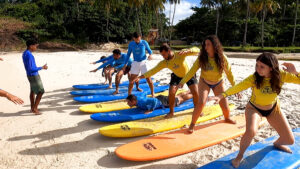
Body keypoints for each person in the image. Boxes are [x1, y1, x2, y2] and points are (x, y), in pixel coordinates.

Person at [209, 52, 300, 168]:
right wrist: (222, 95)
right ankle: (239, 156)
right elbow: (239, 86)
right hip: (254, 108)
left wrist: (296, 73)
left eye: (262, 67)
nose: (258, 69)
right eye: (257, 65)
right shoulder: (254, 78)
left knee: (289, 140)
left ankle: (277, 143)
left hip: (273, 109)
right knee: (251, 131)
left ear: (271, 68)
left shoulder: (281, 75)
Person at [177, 35, 239, 133]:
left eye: (208, 45)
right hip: (204, 81)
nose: (206, 47)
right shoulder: (202, 57)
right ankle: (192, 124)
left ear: (215, 46)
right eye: (205, 45)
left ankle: (227, 118)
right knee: (201, 102)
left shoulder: (222, 58)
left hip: (218, 82)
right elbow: (192, 70)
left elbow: (229, 73)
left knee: (225, 106)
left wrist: (235, 87)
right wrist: (182, 81)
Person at [133, 43, 199, 118]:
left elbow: (197, 50)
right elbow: (153, 70)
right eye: (162, 55)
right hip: (176, 76)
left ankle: (197, 110)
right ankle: (171, 112)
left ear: (169, 51)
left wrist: (189, 50)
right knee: (171, 92)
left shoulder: (180, 54)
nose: (163, 57)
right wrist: (141, 77)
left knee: (195, 92)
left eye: (164, 54)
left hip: (188, 74)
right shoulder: (165, 62)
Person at [123, 32, 155, 97]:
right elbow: (128, 54)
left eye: (139, 38)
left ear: (140, 37)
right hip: (135, 62)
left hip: (144, 62)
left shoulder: (144, 42)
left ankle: (152, 93)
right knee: (132, 80)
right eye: (136, 39)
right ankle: (129, 95)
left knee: (148, 79)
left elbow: (150, 51)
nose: (138, 40)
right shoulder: (131, 44)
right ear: (133, 38)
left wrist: (150, 55)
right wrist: (125, 64)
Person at [22, 39, 48, 115]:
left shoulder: (25, 53)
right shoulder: (29, 55)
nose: (36, 48)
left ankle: (32, 107)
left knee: (33, 91)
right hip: (33, 75)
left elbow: (29, 68)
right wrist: (42, 67)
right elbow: (31, 68)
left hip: (29, 75)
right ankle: (35, 108)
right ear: (31, 46)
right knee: (41, 92)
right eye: (35, 46)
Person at [126, 91, 193, 114]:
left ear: (133, 101)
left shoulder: (142, 101)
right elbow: (144, 93)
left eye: (128, 102)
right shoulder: (137, 98)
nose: (127, 103)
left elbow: (154, 101)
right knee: (178, 96)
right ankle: (190, 90)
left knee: (180, 99)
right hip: (159, 98)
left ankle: (194, 94)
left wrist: (150, 110)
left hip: (162, 101)